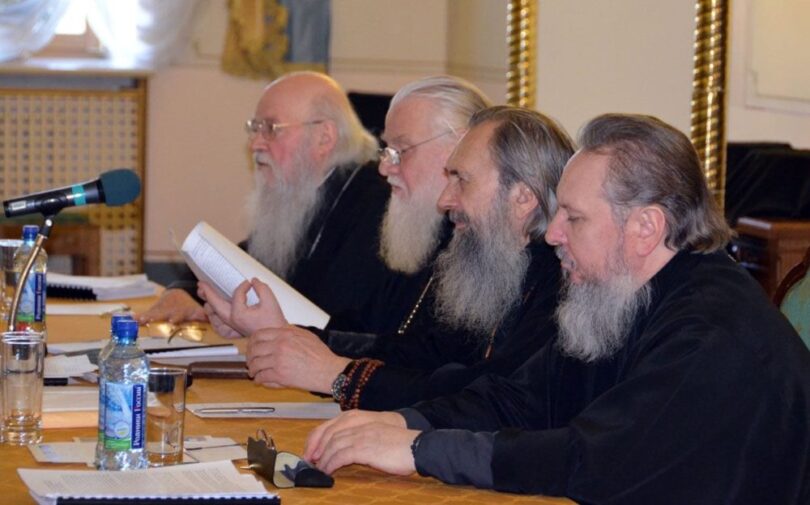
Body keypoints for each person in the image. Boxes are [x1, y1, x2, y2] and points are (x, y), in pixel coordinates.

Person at [302, 113, 810, 504]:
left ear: (646, 228)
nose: (552, 234)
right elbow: (518, 400)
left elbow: (594, 460)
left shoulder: (712, 332)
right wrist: (403, 422)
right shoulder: (618, 295)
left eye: (574, 217)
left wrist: (419, 452)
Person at [202, 105, 574, 411]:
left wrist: (336, 375)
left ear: (523, 198)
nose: (445, 201)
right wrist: (293, 337)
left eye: (462, 179)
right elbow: (425, 353)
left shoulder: (560, 286)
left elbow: (487, 400)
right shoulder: (495, 262)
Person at [138, 71, 409, 334]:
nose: (255, 144)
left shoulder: (377, 202)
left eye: (270, 129)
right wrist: (185, 290)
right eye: (254, 129)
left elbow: (338, 315)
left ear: (324, 137)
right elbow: (252, 259)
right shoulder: (308, 193)